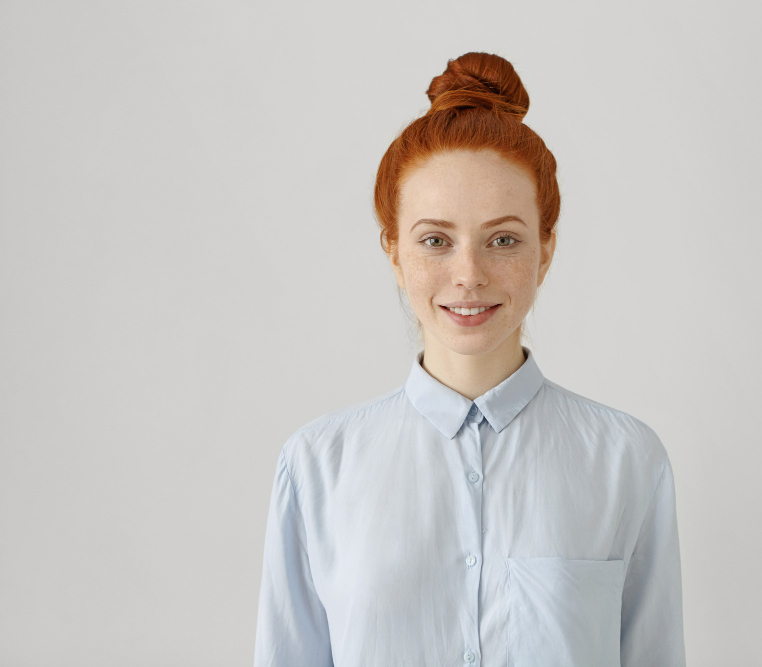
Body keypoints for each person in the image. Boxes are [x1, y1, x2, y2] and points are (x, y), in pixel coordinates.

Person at [253, 51, 685, 667]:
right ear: (395, 252)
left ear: (546, 251)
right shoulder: (316, 467)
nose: (469, 275)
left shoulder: (626, 460)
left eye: (503, 240)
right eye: (435, 240)